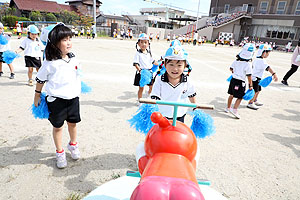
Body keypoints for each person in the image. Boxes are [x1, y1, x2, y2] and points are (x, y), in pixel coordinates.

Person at [33, 24, 81, 169]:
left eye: (69, 39)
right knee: (58, 127)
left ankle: (73, 144)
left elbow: (76, 75)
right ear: (54, 43)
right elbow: (40, 80)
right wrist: (37, 96)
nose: (69, 42)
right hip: (56, 100)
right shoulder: (49, 63)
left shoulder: (73, 59)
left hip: (73, 99)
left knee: (73, 123)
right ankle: (60, 152)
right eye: (65, 40)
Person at [150, 45, 196, 123]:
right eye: (171, 64)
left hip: (180, 114)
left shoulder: (188, 81)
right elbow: (155, 97)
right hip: (163, 114)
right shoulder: (159, 79)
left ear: (185, 66)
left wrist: (195, 107)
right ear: (165, 65)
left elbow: (191, 95)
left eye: (179, 65)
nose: (175, 69)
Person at [226, 43, 254, 119]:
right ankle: (234, 109)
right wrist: (251, 85)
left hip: (233, 80)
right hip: (240, 82)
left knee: (231, 95)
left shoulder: (236, 61)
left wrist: (234, 71)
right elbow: (249, 76)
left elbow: (231, 68)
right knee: (240, 97)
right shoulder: (248, 64)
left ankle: (228, 108)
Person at [247, 44, 278, 110]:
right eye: (267, 53)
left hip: (256, 78)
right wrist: (274, 74)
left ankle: (255, 100)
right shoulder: (261, 61)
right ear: (263, 52)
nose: (268, 55)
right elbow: (268, 68)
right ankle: (250, 103)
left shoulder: (256, 59)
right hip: (255, 79)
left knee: (258, 90)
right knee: (255, 91)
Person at [133, 33, 158, 101]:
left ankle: (148, 96)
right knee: (141, 88)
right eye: (141, 42)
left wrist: (159, 63)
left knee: (151, 86)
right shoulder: (138, 53)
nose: (143, 44)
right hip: (141, 73)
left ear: (148, 44)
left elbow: (152, 61)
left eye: (145, 42)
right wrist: (140, 70)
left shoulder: (148, 53)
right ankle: (139, 100)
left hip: (149, 72)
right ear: (138, 43)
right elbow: (136, 63)